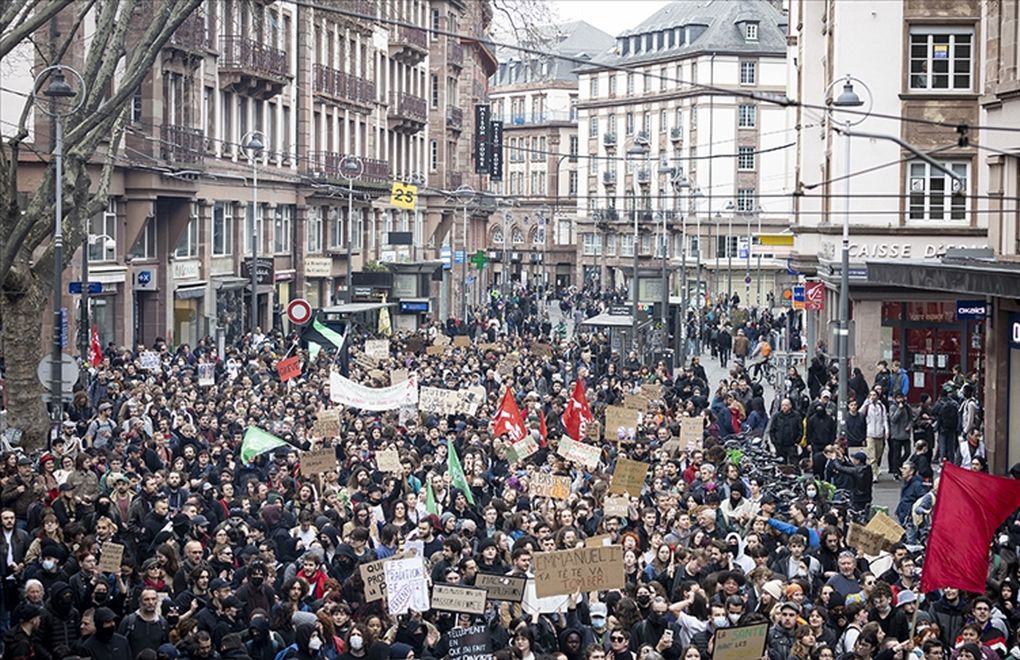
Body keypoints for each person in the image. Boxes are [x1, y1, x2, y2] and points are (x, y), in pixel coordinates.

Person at [861, 390, 889, 482]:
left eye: (874, 395)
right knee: (872, 456)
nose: (873, 397)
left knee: (878, 454)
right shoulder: (867, 406)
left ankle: (875, 469)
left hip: (879, 434)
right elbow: (860, 413)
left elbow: (884, 419)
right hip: (870, 433)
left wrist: (886, 430)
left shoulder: (881, 406)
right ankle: (874, 474)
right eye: (871, 395)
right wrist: (866, 403)